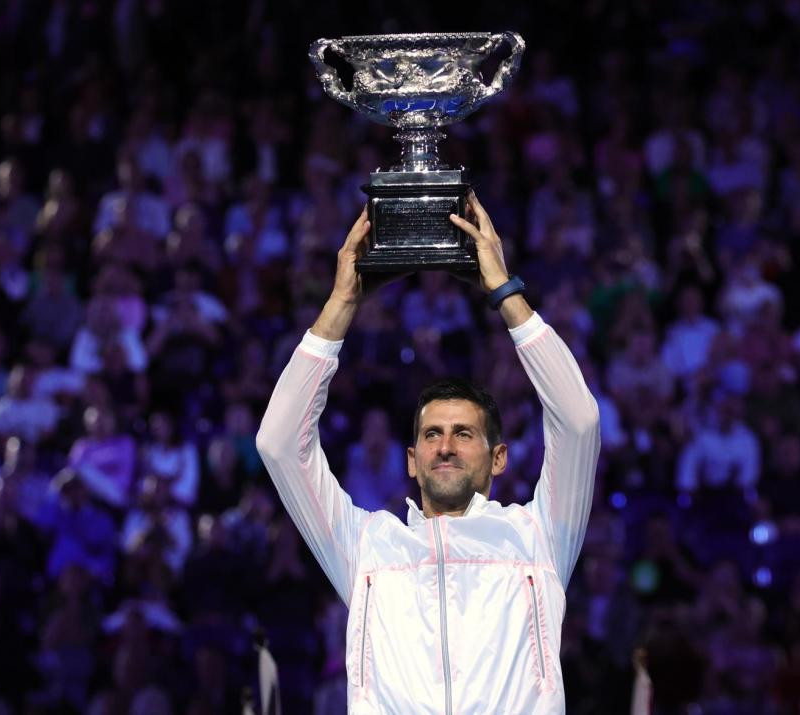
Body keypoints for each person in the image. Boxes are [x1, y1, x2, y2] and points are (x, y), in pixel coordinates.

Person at [257, 195, 601, 713]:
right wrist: (341, 305)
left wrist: (506, 293)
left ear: (498, 457)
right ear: (412, 460)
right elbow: (278, 442)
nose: (445, 445)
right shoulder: (366, 547)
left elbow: (578, 420)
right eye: (432, 435)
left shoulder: (538, 537)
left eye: (464, 434)